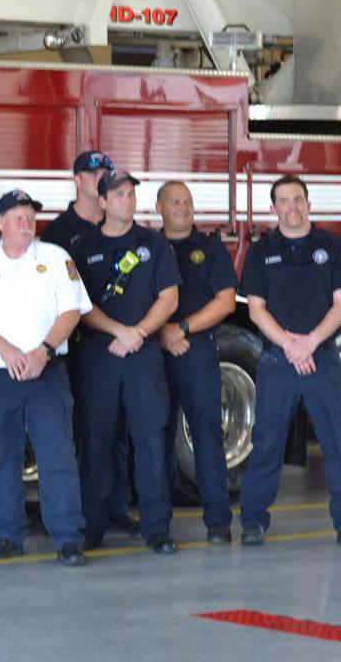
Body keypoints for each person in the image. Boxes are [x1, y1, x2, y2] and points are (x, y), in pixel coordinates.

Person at [0, 190, 91, 566]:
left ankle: (68, 538)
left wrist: (43, 351)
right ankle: (7, 535)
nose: (27, 223)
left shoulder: (57, 258)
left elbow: (71, 312)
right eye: (18, 217)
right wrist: (7, 350)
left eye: (30, 216)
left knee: (57, 455)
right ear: (0, 223)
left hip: (46, 374)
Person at [70, 169, 179, 554]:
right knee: (96, 440)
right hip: (100, 356)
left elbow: (169, 299)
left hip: (143, 355)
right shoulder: (82, 248)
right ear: (101, 202)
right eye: (118, 195)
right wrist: (120, 331)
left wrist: (139, 334)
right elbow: (79, 306)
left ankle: (157, 528)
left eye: (131, 194)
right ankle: (92, 525)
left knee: (151, 439)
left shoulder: (154, 244)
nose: (127, 201)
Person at [239, 175, 341, 547]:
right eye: (284, 201)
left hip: (323, 360)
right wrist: (290, 346)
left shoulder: (332, 246)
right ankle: (253, 521)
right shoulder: (261, 252)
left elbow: (340, 305)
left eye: (298, 199)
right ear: (273, 208)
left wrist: (311, 342)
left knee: (337, 443)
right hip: (277, 363)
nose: (292, 207)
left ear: (308, 203)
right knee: (266, 442)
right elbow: (255, 310)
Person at [41, 150, 137, 538]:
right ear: (77, 180)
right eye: (92, 172)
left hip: (116, 347)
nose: (100, 177)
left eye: (106, 173)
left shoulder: (124, 225)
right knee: (75, 430)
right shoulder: (57, 232)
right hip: (72, 346)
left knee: (115, 430)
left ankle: (116, 506)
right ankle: (79, 509)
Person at [155, 181, 236, 544]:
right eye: (175, 202)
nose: (183, 208)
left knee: (206, 433)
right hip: (155, 352)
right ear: (159, 208)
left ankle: (218, 521)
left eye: (187, 201)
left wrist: (182, 329)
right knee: (155, 436)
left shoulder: (211, 248)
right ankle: (158, 524)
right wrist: (163, 335)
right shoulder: (147, 247)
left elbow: (227, 302)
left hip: (197, 350)